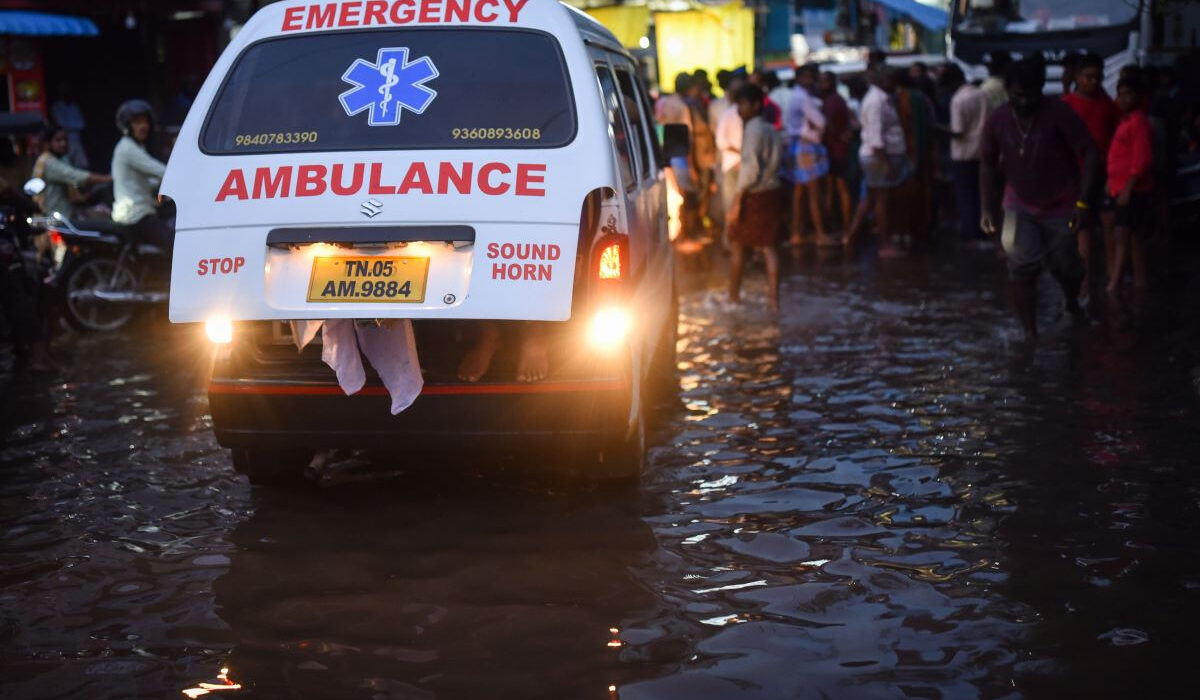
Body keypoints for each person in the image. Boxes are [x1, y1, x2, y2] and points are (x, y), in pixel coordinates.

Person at [980, 59, 1101, 341]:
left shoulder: (1059, 113)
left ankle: (1072, 302)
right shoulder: (998, 119)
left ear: (1040, 89)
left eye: (1029, 95)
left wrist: (1084, 202)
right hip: (1018, 203)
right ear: (1007, 89)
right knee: (1021, 267)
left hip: (1062, 203)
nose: (1023, 101)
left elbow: (1092, 153)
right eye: (1017, 95)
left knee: (1066, 266)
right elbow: (986, 162)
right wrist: (987, 207)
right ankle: (1029, 333)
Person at [1061, 52, 1120, 299]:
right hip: (1076, 175)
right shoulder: (1067, 104)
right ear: (1077, 77)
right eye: (1088, 77)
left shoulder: (1107, 105)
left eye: (1097, 77)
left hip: (1105, 174)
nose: (1093, 82)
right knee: (1082, 228)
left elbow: (1115, 139)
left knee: (1109, 225)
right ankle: (1084, 284)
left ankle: (1111, 278)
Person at [726, 83, 785, 312]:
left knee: (738, 245)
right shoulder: (771, 129)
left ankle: (733, 298)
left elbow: (749, 170)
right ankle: (774, 301)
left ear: (756, 105)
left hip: (754, 193)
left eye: (742, 104)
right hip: (773, 190)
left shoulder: (752, 129)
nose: (739, 109)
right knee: (769, 246)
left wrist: (738, 198)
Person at [846, 66, 909, 252]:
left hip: (876, 156)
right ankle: (884, 245)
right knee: (881, 201)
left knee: (871, 199)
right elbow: (876, 138)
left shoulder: (881, 99)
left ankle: (851, 236)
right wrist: (886, 162)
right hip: (877, 157)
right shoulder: (876, 102)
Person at [1105, 73, 1155, 295]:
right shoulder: (1126, 121)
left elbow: (1142, 158)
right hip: (1122, 188)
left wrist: (1128, 186)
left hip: (1132, 191)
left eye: (1128, 94)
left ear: (1138, 97)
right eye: (1120, 94)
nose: (1123, 99)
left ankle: (1113, 285)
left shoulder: (1139, 123)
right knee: (1133, 238)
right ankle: (1139, 282)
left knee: (1122, 236)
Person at [112, 100, 172, 252]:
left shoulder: (135, 146)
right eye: (137, 122)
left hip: (138, 210)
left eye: (145, 121)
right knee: (175, 244)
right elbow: (160, 170)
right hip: (136, 214)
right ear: (127, 125)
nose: (143, 126)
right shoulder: (128, 148)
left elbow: (146, 179)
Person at [941, 64, 992, 243]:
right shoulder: (982, 94)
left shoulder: (958, 100)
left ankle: (971, 232)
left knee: (966, 195)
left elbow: (958, 130)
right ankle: (984, 230)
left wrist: (937, 128)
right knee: (982, 194)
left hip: (963, 155)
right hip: (983, 151)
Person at [784, 63, 831, 247]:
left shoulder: (796, 96)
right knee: (812, 193)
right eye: (808, 77)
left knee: (799, 193)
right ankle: (820, 234)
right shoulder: (803, 98)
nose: (811, 81)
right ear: (799, 79)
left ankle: (797, 233)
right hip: (806, 147)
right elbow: (821, 122)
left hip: (797, 145)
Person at [32, 124, 112, 220]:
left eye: (65, 140)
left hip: (67, 213)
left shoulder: (61, 159)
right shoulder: (48, 162)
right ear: (48, 143)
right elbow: (76, 176)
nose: (63, 143)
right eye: (58, 140)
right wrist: (108, 178)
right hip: (57, 218)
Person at [818, 71, 854, 240]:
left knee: (839, 189)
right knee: (834, 189)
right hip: (836, 149)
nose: (821, 84)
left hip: (835, 150)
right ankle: (838, 226)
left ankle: (845, 228)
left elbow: (828, 122)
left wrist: (838, 135)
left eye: (825, 81)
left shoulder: (832, 101)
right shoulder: (836, 99)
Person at [716, 74, 750, 242]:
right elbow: (721, 141)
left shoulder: (751, 116)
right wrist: (740, 153)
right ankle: (730, 241)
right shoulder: (728, 114)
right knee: (731, 205)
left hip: (746, 165)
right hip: (733, 165)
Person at [50, 82, 88, 168]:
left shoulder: (74, 106)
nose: (66, 93)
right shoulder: (57, 106)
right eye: (63, 91)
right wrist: (73, 127)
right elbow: (61, 124)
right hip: (65, 140)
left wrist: (70, 127)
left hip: (76, 141)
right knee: (65, 165)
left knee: (82, 165)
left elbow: (82, 124)